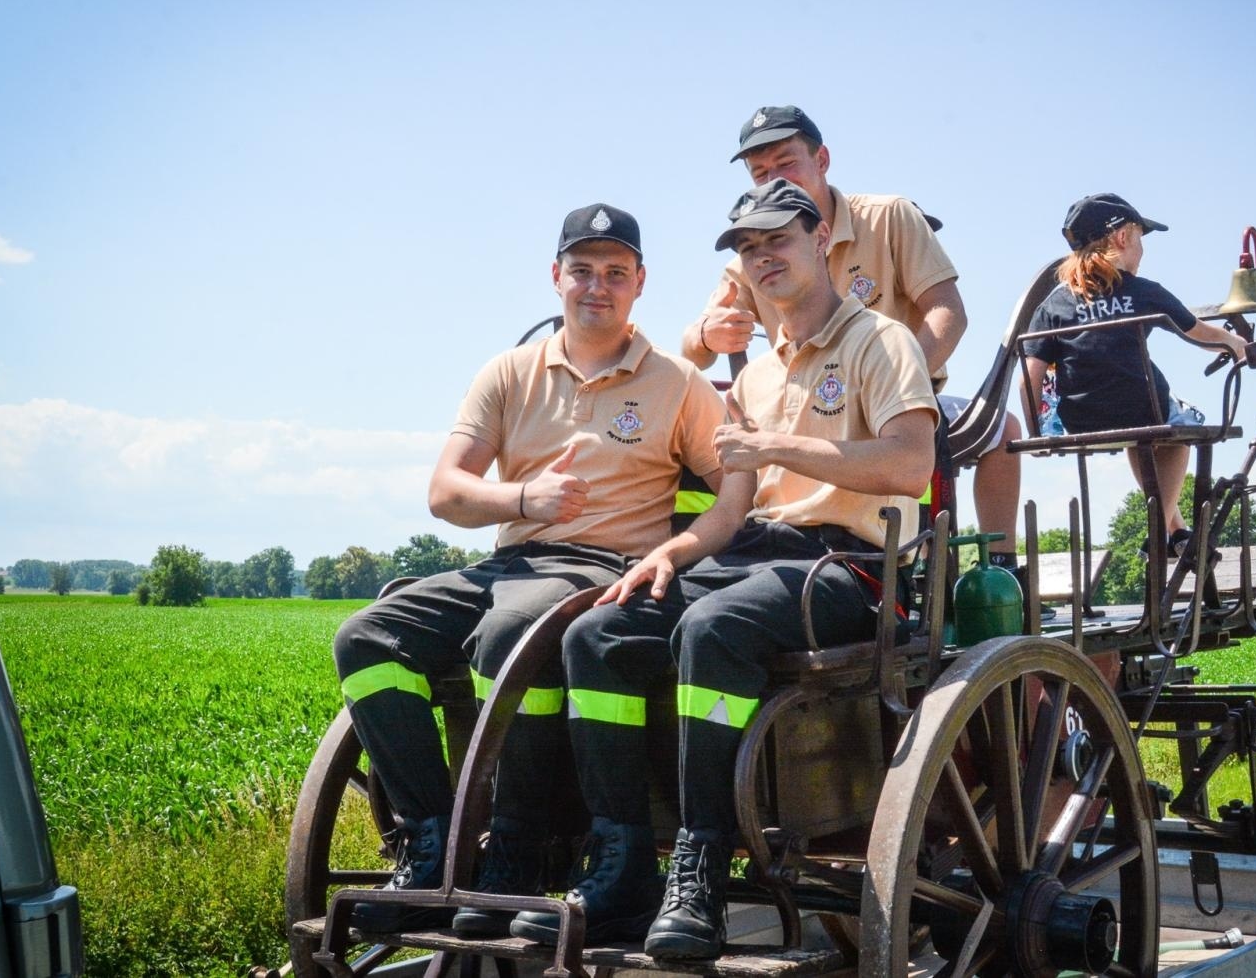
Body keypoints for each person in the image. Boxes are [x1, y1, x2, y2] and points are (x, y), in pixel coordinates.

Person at [510, 179, 937, 959]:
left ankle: (700, 864)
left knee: (713, 627)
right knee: (597, 631)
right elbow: (733, 510)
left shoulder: (879, 340)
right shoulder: (758, 374)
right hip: (753, 556)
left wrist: (779, 447)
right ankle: (623, 870)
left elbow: (912, 464)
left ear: (819, 241)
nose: (761, 257)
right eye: (746, 248)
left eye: (776, 240)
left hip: (851, 567)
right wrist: (665, 555)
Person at [331, 203, 724, 934]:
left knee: (509, 630)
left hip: (600, 570)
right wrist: (524, 497)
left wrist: (677, 552)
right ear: (555, 278)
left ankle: (518, 844)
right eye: (581, 271)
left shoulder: (678, 384)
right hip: (508, 559)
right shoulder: (509, 373)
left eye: (614, 273)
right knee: (363, 638)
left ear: (640, 284)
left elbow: (736, 488)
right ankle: (431, 841)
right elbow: (445, 492)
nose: (595, 287)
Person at [682, 105, 1022, 564]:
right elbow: (695, 352)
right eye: (759, 172)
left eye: (786, 163)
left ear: (822, 160)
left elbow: (947, 312)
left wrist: (893, 391)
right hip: (798, 416)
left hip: (900, 404)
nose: (773, 178)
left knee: (1004, 429)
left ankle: (1000, 565)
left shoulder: (889, 217)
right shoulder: (749, 255)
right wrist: (707, 334)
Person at [1018, 193, 1246, 555]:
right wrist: (1237, 345)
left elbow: (1029, 375)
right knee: (1177, 429)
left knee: (1137, 435)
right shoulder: (1144, 291)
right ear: (1123, 237)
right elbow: (1200, 333)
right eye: (1140, 237)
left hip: (1081, 420)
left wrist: (1036, 433)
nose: (1142, 249)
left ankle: (1177, 531)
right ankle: (1159, 534)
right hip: (1145, 409)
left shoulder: (1054, 304)